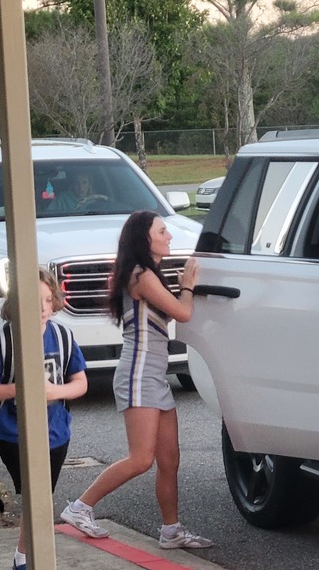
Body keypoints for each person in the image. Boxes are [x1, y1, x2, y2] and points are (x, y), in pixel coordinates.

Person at [60, 209, 213, 550]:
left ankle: (171, 530)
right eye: (163, 231)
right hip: (138, 374)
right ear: (145, 238)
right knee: (141, 458)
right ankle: (80, 507)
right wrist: (188, 286)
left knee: (169, 459)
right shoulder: (141, 275)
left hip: (155, 376)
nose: (169, 236)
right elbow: (183, 312)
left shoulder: (148, 273)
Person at [0, 268, 89, 570]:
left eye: (48, 300)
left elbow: (80, 383)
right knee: (38, 499)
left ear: (55, 303)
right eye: (33, 300)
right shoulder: (6, 341)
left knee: (39, 498)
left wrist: (54, 392)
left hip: (55, 434)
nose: (41, 307)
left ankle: (23, 560)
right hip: (15, 434)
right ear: (17, 304)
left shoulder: (63, 337)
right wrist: (20, 389)